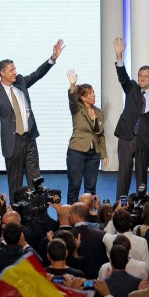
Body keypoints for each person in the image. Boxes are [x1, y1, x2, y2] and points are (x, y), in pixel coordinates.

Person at [0, 39, 65, 202]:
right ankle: (16, 215)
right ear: (2, 73)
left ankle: (37, 212)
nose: (15, 72)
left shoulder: (20, 81)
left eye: (15, 69)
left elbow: (37, 74)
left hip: (29, 138)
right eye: (11, 70)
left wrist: (52, 58)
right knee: (15, 183)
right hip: (12, 142)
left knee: (35, 180)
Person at [113, 37, 149, 198]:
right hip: (127, 138)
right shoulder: (131, 89)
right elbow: (122, 76)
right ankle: (119, 205)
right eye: (140, 76)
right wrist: (118, 56)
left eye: (146, 76)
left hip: (144, 139)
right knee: (124, 175)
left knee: (142, 176)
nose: (142, 78)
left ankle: (140, 204)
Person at [65, 69, 108, 204]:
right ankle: (71, 214)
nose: (93, 95)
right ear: (83, 97)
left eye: (94, 92)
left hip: (93, 154)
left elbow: (101, 135)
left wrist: (104, 155)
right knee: (75, 185)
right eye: (90, 94)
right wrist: (72, 86)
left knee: (90, 188)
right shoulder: (77, 109)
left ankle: (88, 213)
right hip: (77, 152)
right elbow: (72, 99)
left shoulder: (99, 112)